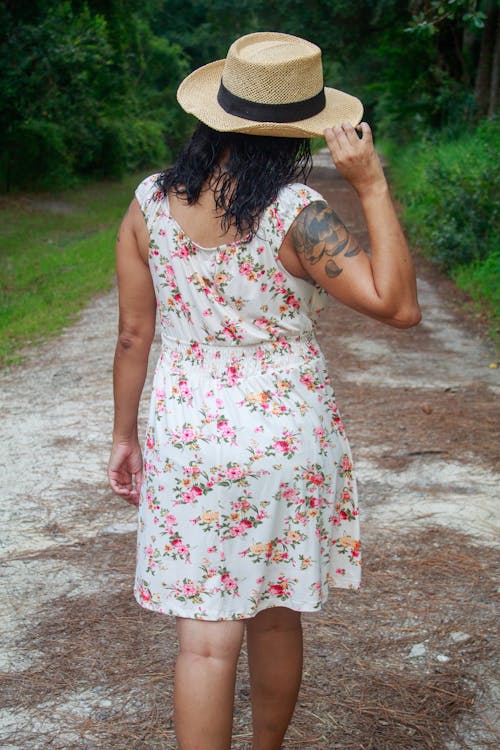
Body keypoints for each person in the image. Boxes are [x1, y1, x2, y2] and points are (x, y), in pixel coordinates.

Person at [108, 31, 421, 750]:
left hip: (187, 428)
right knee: (277, 612)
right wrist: (372, 185)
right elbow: (398, 305)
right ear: (295, 132)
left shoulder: (149, 204)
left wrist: (125, 436)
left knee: (205, 644)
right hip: (282, 429)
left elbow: (132, 335)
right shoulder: (294, 213)